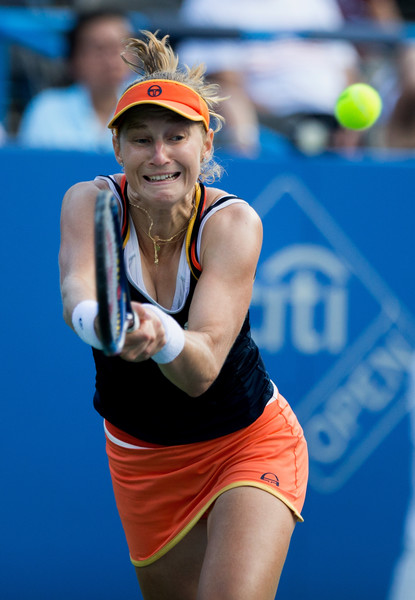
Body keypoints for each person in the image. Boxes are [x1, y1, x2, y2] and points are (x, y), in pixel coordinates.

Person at [59, 31, 308, 600]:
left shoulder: (232, 225)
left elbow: (199, 371)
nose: (160, 155)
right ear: (118, 148)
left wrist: (159, 332)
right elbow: (78, 293)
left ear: (207, 145)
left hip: (246, 441)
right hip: (141, 458)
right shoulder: (91, 204)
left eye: (177, 136)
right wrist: (104, 324)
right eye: (141, 139)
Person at [177, 0, 362, 156]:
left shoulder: (317, 4)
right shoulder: (208, 6)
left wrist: (348, 124)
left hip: (332, 123)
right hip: (266, 124)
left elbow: (347, 67)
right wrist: (284, 125)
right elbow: (223, 78)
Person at [17, 9, 133, 152]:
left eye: (121, 46)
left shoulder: (149, 105)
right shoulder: (47, 110)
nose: (112, 60)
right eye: (99, 49)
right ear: (74, 58)